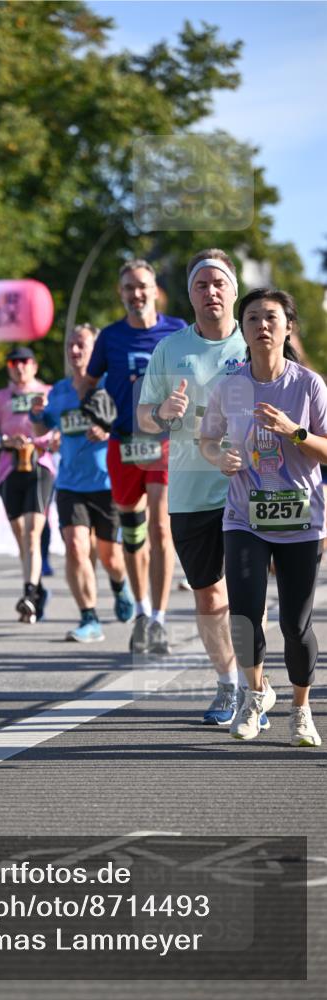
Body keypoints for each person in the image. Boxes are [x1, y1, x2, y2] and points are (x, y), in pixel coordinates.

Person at [137, 248, 258, 727]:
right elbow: (144, 417)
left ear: (234, 289)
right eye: (201, 285)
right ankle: (227, 683)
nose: (211, 292)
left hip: (248, 487)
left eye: (218, 283)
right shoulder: (170, 349)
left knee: (246, 597)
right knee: (208, 595)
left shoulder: (254, 341)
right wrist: (161, 412)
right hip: (190, 491)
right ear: (190, 295)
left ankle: (253, 688)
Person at [200, 288, 327, 745]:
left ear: (288, 327)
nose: (262, 325)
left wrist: (294, 432)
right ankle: (253, 697)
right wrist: (219, 457)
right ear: (243, 329)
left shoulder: (308, 385)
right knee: (245, 615)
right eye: (252, 317)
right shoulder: (229, 387)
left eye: (271, 317)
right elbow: (207, 439)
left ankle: (301, 709)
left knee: (295, 624)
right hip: (244, 517)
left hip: (300, 520)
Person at [80, 260, 185, 655]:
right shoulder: (110, 336)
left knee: (160, 527)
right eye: (128, 287)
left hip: (164, 440)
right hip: (123, 443)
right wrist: (94, 411)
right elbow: (87, 384)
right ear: (120, 293)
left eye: (142, 286)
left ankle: (159, 618)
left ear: (155, 289)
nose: (136, 294)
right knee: (133, 532)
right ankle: (141, 611)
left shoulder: (177, 331)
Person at [30, 324, 133, 641]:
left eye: (81, 345)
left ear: (95, 350)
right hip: (70, 484)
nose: (74, 351)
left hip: (107, 482)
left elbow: (130, 421)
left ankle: (120, 586)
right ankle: (89, 618)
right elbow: (42, 431)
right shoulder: (59, 390)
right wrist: (37, 415)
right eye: (70, 345)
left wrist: (107, 430)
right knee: (76, 548)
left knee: (110, 557)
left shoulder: (108, 385)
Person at [0, 346, 55, 623]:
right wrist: (7, 441)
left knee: (33, 532)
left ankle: (29, 594)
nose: (20, 367)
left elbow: (56, 429)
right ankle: (38, 590)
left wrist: (42, 441)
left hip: (39, 465)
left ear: (34, 366)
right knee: (21, 536)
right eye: (14, 363)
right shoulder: (0, 397)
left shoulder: (47, 392)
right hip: (8, 469)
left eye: (25, 362)